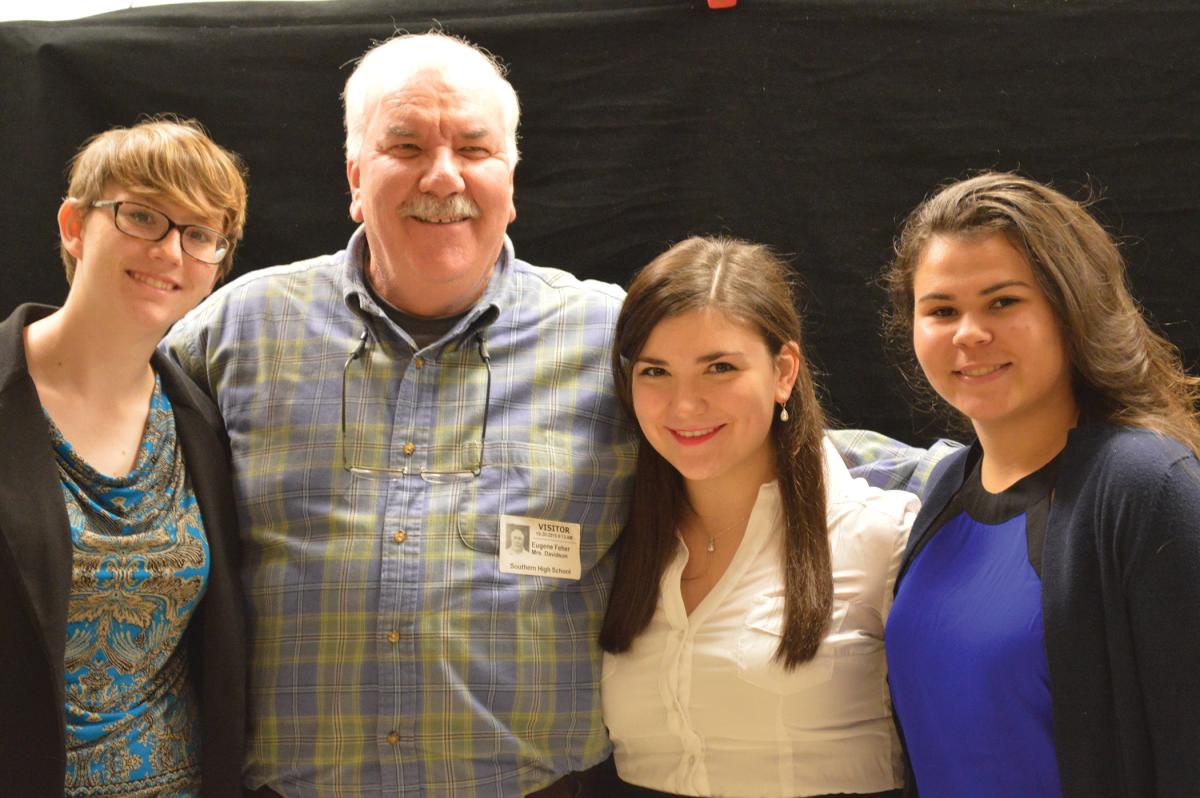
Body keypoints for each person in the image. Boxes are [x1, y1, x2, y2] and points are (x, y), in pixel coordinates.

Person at [163, 32, 635, 797]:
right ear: (356, 176)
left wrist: (906, 484)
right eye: (406, 146)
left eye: (474, 149)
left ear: (511, 180)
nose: (442, 175)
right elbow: (102, 432)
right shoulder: (239, 330)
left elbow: (765, 444)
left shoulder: (611, 337)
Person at [881, 172, 1200, 797]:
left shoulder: (1145, 489)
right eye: (941, 310)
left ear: (1072, 308)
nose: (969, 333)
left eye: (1003, 301)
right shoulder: (945, 487)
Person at [599, 236, 918, 798]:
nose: (684, 405)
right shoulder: (618, 546)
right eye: (655, 372)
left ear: (783, 372)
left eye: (719, 367)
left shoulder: (881, 535)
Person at [0, 117, 248, 796]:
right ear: (75, 227)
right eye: (142, 216)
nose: (171, 251)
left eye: (200, 234)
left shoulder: (202, 424)